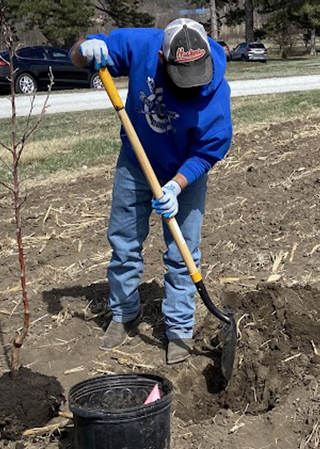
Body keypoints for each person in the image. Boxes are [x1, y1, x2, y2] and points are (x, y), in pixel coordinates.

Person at [70, 19, 232, 364]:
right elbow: (77, 57)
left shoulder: (216, 91)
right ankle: (125, 312)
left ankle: (179, 329)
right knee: (124, 240)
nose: (190, 86)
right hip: (135, 160)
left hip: (184, 169)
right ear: (162, 58)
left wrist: (176, 185)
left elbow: (210, 149)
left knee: (183, 251)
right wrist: (85, 51)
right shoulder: (140, 44)